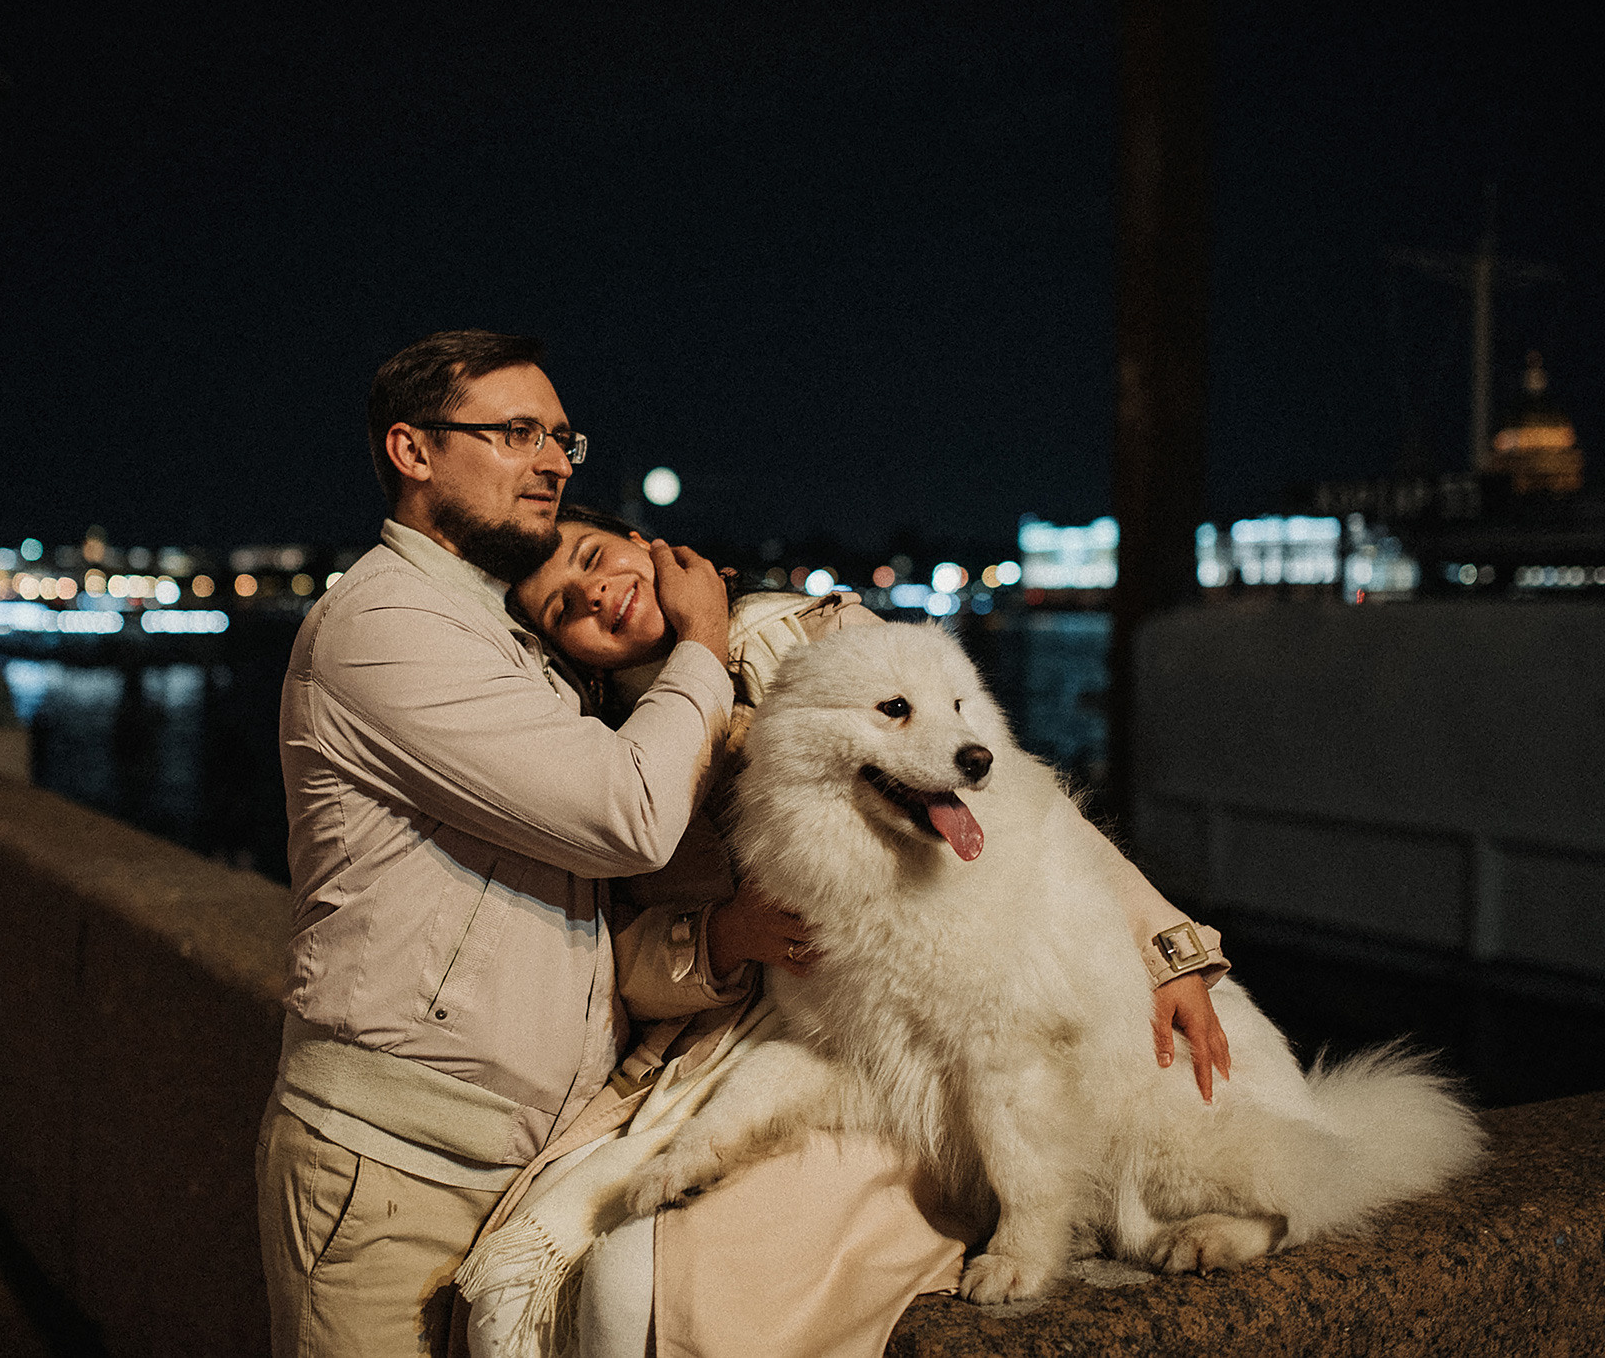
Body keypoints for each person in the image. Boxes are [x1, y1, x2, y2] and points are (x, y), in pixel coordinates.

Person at [453, 505, 1232, 1358]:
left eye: (596, 555)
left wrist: (1168, 949)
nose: (597, 592)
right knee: (589, 1271)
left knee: (650, 1282)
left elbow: (1031, 812)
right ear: (563, 650)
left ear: (651, 548)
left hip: (891, 1057)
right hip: (736, 1052)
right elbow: (609, 964)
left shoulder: (814, 636)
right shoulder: (589, 753)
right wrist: (722, 936)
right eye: (565, 606)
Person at [264, 332, 779, 1358]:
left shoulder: (504, 634)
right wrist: (701, 645)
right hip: (393, 1171)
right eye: (511, 432)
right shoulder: (385, 625)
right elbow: (623, 813)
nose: (550, 459)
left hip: (507, 1165)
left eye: (558, 436)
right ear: (411, 451)